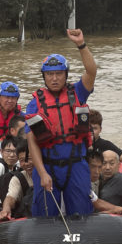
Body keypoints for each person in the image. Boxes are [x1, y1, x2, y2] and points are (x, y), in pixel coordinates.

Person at [26, 29, 97, 217]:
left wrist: (81, 44)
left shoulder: (78, 92)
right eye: (50, 74)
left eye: (59, 74)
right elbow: (32, 141)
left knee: (82, 214)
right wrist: (41, 173)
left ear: (65, 75)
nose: (55, 78)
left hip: (76, 165)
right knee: (44, 215)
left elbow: (92, 71)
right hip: (48, 165)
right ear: (44, 77)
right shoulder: (35, 103)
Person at [88, 109, 122, 177]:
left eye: (95, 128)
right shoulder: (77, 145)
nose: (92, 132)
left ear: (100, 129)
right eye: (89, 129)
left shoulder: (105, 145)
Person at [0, 140, 33, 221]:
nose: (26, 163)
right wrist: (6, 209)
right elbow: (10, 197)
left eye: (30, 159)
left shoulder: (47, 174)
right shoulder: (18, 178)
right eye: (22, 160)